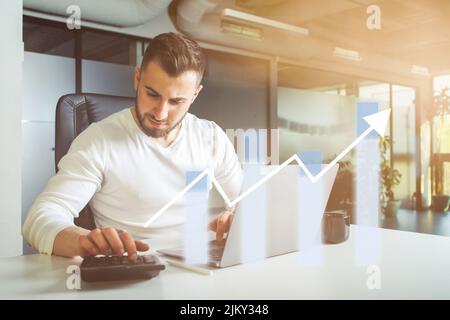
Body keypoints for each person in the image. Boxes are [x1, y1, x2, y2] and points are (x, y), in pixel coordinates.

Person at [22, 32, 243, 261]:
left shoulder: (212, 137)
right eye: (152, 94)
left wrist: (238, 218)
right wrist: (83, 240)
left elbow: (248, 203)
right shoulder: (99, 140)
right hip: (136, 270)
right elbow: (38, 219)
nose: (161, 112)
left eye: (176, 101)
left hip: (201, 267)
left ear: (195, 94)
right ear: (137, 78)